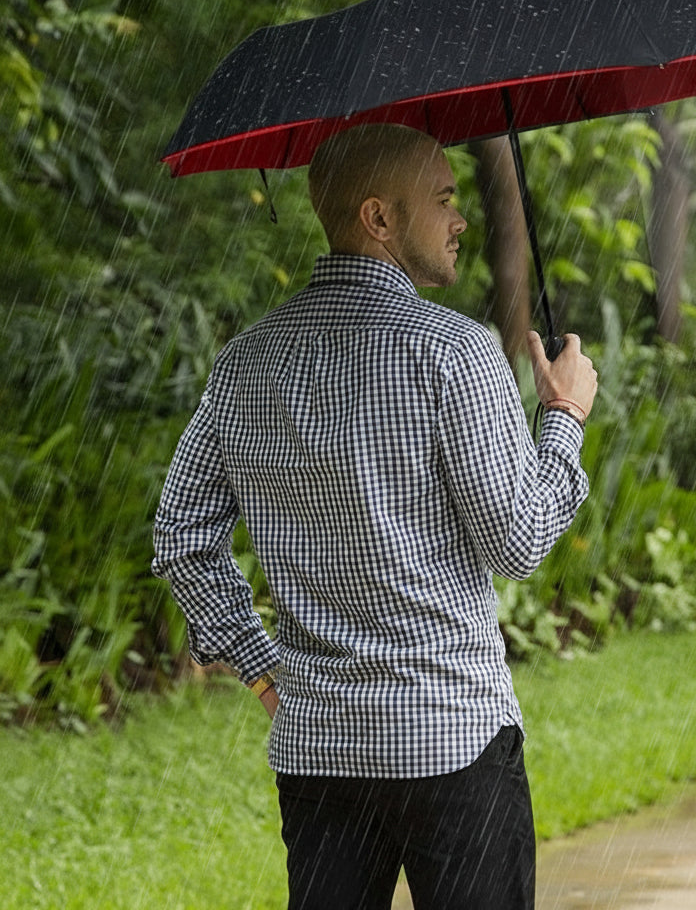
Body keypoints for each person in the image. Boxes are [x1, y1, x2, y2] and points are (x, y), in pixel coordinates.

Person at [152, 123, 598, 910]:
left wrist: (262, 672)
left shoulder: (247, 361)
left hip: (320, 754)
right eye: (444, 200)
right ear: (379, 219)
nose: (460, 220)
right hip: (453, 745)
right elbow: (520, 541)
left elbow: (182, 535)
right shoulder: (453, 353)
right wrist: (562, 414)